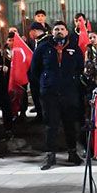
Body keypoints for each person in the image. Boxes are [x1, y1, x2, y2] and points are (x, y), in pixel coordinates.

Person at [31, 21, 84, 170]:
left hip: (69, 93)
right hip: (50, 94)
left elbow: (80, 67)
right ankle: (50, 155)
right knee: (50, 125)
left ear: (67, 32)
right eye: (56, 29)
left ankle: (72, 153)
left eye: (62, 29)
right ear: (52, 32)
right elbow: (35, 70)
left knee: (70, 124)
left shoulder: (74, 48)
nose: (59, 31)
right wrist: (45, 82)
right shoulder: (43, 48)